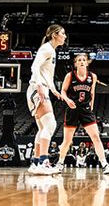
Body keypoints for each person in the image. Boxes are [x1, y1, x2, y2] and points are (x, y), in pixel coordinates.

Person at [54, 53, 109, 174]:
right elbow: (62, 91)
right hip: (72, 109)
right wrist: (67, 100)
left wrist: (91, 106)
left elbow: (92, 93)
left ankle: (105, 165)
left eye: (84, 59)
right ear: (76, 63)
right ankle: (60, 163)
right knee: (67, 141)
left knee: (96, 137)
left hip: (86, 110)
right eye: (79, 60)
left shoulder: (92, 76)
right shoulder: (70, 75)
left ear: (87, 62)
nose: (82, 61)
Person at [25, 24, 75, 175]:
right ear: (54, 35)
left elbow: (46, 73)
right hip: (37, 88)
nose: (65, 36)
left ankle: (35, 163)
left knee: (42, 128)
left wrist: (54, 90)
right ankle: (44, 162)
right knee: (51, 124)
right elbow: (34, 67)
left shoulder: (51, 50)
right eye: (63, 33)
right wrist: (40, 86)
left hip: (38, 88)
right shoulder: (46, 48)